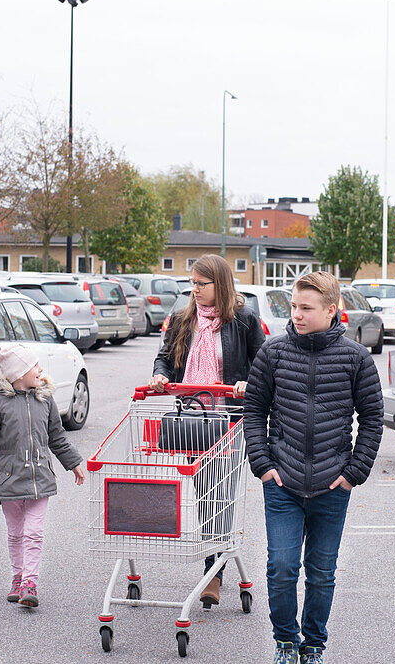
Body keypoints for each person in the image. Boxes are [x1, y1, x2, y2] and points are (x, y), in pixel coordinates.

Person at [243, 271, 383, 664]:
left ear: (331, 310)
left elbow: (372, 418)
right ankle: (285, 641)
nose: (297, 315)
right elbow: (254, 410)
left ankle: (313, 645)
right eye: (294, 307)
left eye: (306, 308)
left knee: (321, 574)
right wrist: (263, 464)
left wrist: (353, 473)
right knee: (282, 567)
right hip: (282, 482)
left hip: (331, 485)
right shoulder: (273, 352)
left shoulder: (356, 358)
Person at [149, 253, 265, 607]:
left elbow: (263, 362)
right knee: (204, 493)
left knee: (221, 495)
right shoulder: (184, 317)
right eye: (192, 284)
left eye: (202, 284)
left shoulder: (243, 319)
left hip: (228, 420)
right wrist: (161, 376)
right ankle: (213, 562)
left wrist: (248, 382)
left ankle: (213, 574)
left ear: (221, 284)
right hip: (192, 418)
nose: (195, 290)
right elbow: (165, 357)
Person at [0, 344, 85, 607]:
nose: (40, 370)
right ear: (19, 373)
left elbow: (57, 438)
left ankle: (30, 584)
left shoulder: (45, 400)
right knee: (15, 534)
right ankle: (18, 577)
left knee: (34, 533)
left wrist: (73, 463)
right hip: (9, 480)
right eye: (35, 366)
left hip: (40, 479)